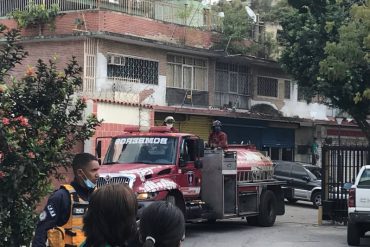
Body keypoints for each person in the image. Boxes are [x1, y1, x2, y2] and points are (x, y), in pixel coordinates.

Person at [32, 153, 100, 247]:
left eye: (98, 170)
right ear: (80, 173)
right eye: (93, 170)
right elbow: (41, 232)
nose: (98, 175)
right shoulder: (61, 197)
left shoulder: (99, 195)